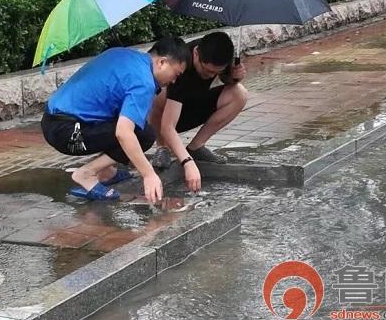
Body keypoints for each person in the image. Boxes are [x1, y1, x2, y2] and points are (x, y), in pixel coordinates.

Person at [41, 37, 189, 203]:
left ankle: (106, 171)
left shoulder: (122, 54)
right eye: (176, 74)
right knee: (144, 135)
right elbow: (123, 133)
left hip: (52, 122)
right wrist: (149, 175)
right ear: (162, 62)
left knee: (131, 123)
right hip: (67, 135)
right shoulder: (143, 82)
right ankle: (86, 174)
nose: (174, 81)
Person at [149, 31, 248, 193]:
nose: (210, 76)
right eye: (207, 71)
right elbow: (168, 126)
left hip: (192, 103)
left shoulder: (219, 54)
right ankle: (162, 148)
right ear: (196, 54)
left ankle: (196, 147)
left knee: (239, 93)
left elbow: (227, 80)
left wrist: (235, 77)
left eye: (216, 72)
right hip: (167, 113)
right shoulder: (181, 66)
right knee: (159, 93)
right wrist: (187, 163)